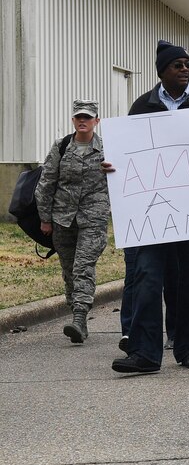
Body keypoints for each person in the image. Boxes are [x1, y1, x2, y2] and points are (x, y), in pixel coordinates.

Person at [107, 40, 189, 374]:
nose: (185, 70)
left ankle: (188, 348)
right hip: (148, 213)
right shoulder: (143, 106)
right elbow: (126, 153)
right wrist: (113, 166)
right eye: (177, 65)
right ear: (162, 71)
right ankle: (145, 353)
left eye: (188, 65)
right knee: (147, 278)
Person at [36, 99, 109, 343]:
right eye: (79, 117)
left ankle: (79, 317)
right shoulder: (62, 146)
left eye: (87, 117)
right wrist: (45, 218)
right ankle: (78, 317)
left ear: (96, 121)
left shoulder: (108, 148)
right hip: (63, 219)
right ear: (73, 120)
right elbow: (46, 182)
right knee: (69, 271)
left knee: (82, 267)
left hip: (94, 218)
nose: (82, 121)